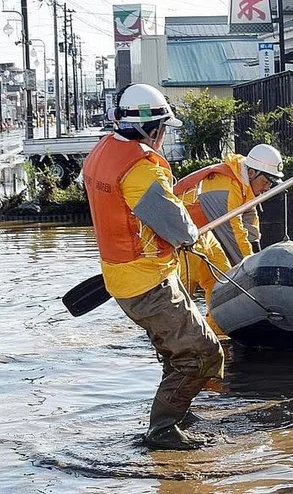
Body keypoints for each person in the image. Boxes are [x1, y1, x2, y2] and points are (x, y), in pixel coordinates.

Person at [81, 83, 224, 450]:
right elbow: (177, 228)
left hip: (122, 278)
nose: (162, 138)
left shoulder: (102, 153)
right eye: (162, 130)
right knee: (204, 354)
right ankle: (163, 428)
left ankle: (179, 408)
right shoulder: (141, 172)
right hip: (149, 283)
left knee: (174, 350)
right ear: (152, 129)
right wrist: (190, 233)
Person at [173, 144, 284, 325]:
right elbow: (233, 232)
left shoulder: (243, 183)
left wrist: (257, 253)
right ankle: (173, 331)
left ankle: (218, 328)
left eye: (270, 183)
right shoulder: (225, 187)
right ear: (251, 173)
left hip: (202, 235)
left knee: (222, 280)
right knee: (183, 287)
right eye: (265, 182)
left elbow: (249, 220)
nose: (267, 188)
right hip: (182, 238)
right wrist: (252, 270)